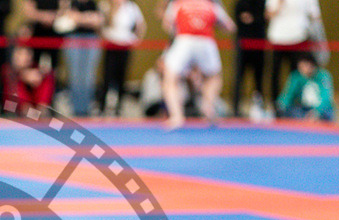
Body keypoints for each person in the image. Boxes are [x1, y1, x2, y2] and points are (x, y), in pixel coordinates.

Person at [162, 0, 236, 129]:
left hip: (184, 40)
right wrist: (211, 23)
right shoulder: (213, 5)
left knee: (170, 78)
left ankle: (176, 116)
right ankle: (207, 105)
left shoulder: (177, 4)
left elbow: (167, 25)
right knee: (214, 76)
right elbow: (230, 27)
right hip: (206, 42)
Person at [264, 0, 319, 105]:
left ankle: (296, 103)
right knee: (275, 73)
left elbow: (315, 15)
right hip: (278, 38)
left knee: (297, 74)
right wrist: (279, 4)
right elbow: (268, 15)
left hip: (299, 37)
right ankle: (275, 105)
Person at [97, 0, 145, 116]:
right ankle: (102, 106)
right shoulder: (106, 5)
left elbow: (141, 24)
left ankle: (119, 106)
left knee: (122, 76)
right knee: (108, 76)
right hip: (111, 44)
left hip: (125, 45)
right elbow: (101, 25)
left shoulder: (132, 7)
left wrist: (136, 40)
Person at [60, 0, 105, 117]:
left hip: (92, 40)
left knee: (88, 76)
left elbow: (98, 21)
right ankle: (76, 109)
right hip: (73, 39)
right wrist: (89, 18)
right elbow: (70, 18)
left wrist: (79, 18)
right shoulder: (71, 3)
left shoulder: (96, 4)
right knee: (75, 75)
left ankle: (86, 108)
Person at [232, 0, 266, 118]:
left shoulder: (261, 2)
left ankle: (258, 108)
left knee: (259, 78)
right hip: (242, 44)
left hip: (258, 44)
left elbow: (264, 18)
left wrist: (254, 18)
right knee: (238, 78)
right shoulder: (240, 3)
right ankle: (235, 109)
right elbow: (237, 17)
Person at [275, 51, 332, 120]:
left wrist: (316, 112)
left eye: (304, 66)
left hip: (320, 109)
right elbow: (288, 94)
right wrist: (281, 105)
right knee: (291, 111)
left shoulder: (323, 76)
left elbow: (325, 97)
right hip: (303, 109)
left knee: (327, 112)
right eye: (300, 66)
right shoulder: (296, 76)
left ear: (312, 64)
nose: (302, 69)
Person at [3, 45, 56, 114]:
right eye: (20, 54)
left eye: (28, 53)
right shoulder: (8, 71)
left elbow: (43, 106)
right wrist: (23, 76)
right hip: (15, 115)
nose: (25, 57)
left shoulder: (39, 72)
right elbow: (23, 107)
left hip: (38, 114)